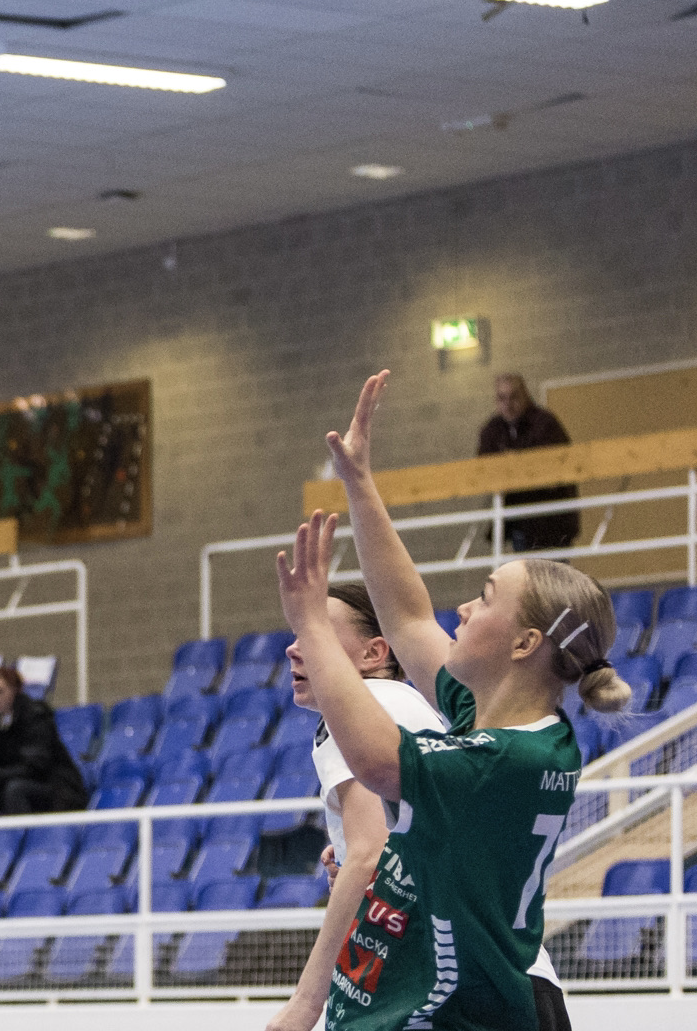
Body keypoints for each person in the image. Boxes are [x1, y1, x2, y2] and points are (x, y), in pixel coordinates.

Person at [282, 370, 627, 1031]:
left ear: (524, 643)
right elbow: (408, 616)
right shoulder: (498, 721)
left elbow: (378, 760)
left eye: (486, 598)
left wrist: (313, 625)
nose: (463, 607)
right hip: (464, 999)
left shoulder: (507, 756)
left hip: (482, 1008)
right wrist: (360, 483)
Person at [268, 582, 445, 1031]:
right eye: (297, 632)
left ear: (374, 653)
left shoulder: (364, 706)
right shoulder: (404, 704)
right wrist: (350, 857)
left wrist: (304, 1005)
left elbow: (370, 853)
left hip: (430, 981)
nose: (293, 648)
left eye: (318, 632)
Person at [0, 666, 87, 818]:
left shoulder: (36, 716)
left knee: (16, 789)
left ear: (15, 690)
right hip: (11, 783)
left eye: (0, 692)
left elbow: (35, 767)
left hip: (55, 788)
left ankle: (20, 833)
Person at [477, 374, 579, 552]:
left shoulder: (545, 424)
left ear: (525, 395)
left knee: (552, 568)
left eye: (513, 397)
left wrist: (516, 463)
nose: (508, 404)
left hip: (551, 519)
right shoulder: (492, 430)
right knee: (525, 566)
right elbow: (483, 468)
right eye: (502, 398)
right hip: (519, 521)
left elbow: (559, 464)